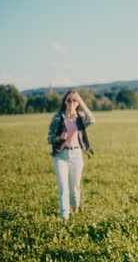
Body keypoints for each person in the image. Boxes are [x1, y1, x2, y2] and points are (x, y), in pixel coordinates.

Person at [47, 90, 95, 221]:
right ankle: (64, 217)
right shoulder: (58, 117)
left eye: (74, 100)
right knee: (63, 188)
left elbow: (92, 119)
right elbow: (49, 138)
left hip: (76, 155)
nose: (71, 103)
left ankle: (75, 207)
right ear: (64, 101)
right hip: (61, 156)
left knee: (74, 188)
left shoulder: (79, 118)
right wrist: (58, 138)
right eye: (69, 100)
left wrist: (81, 100)